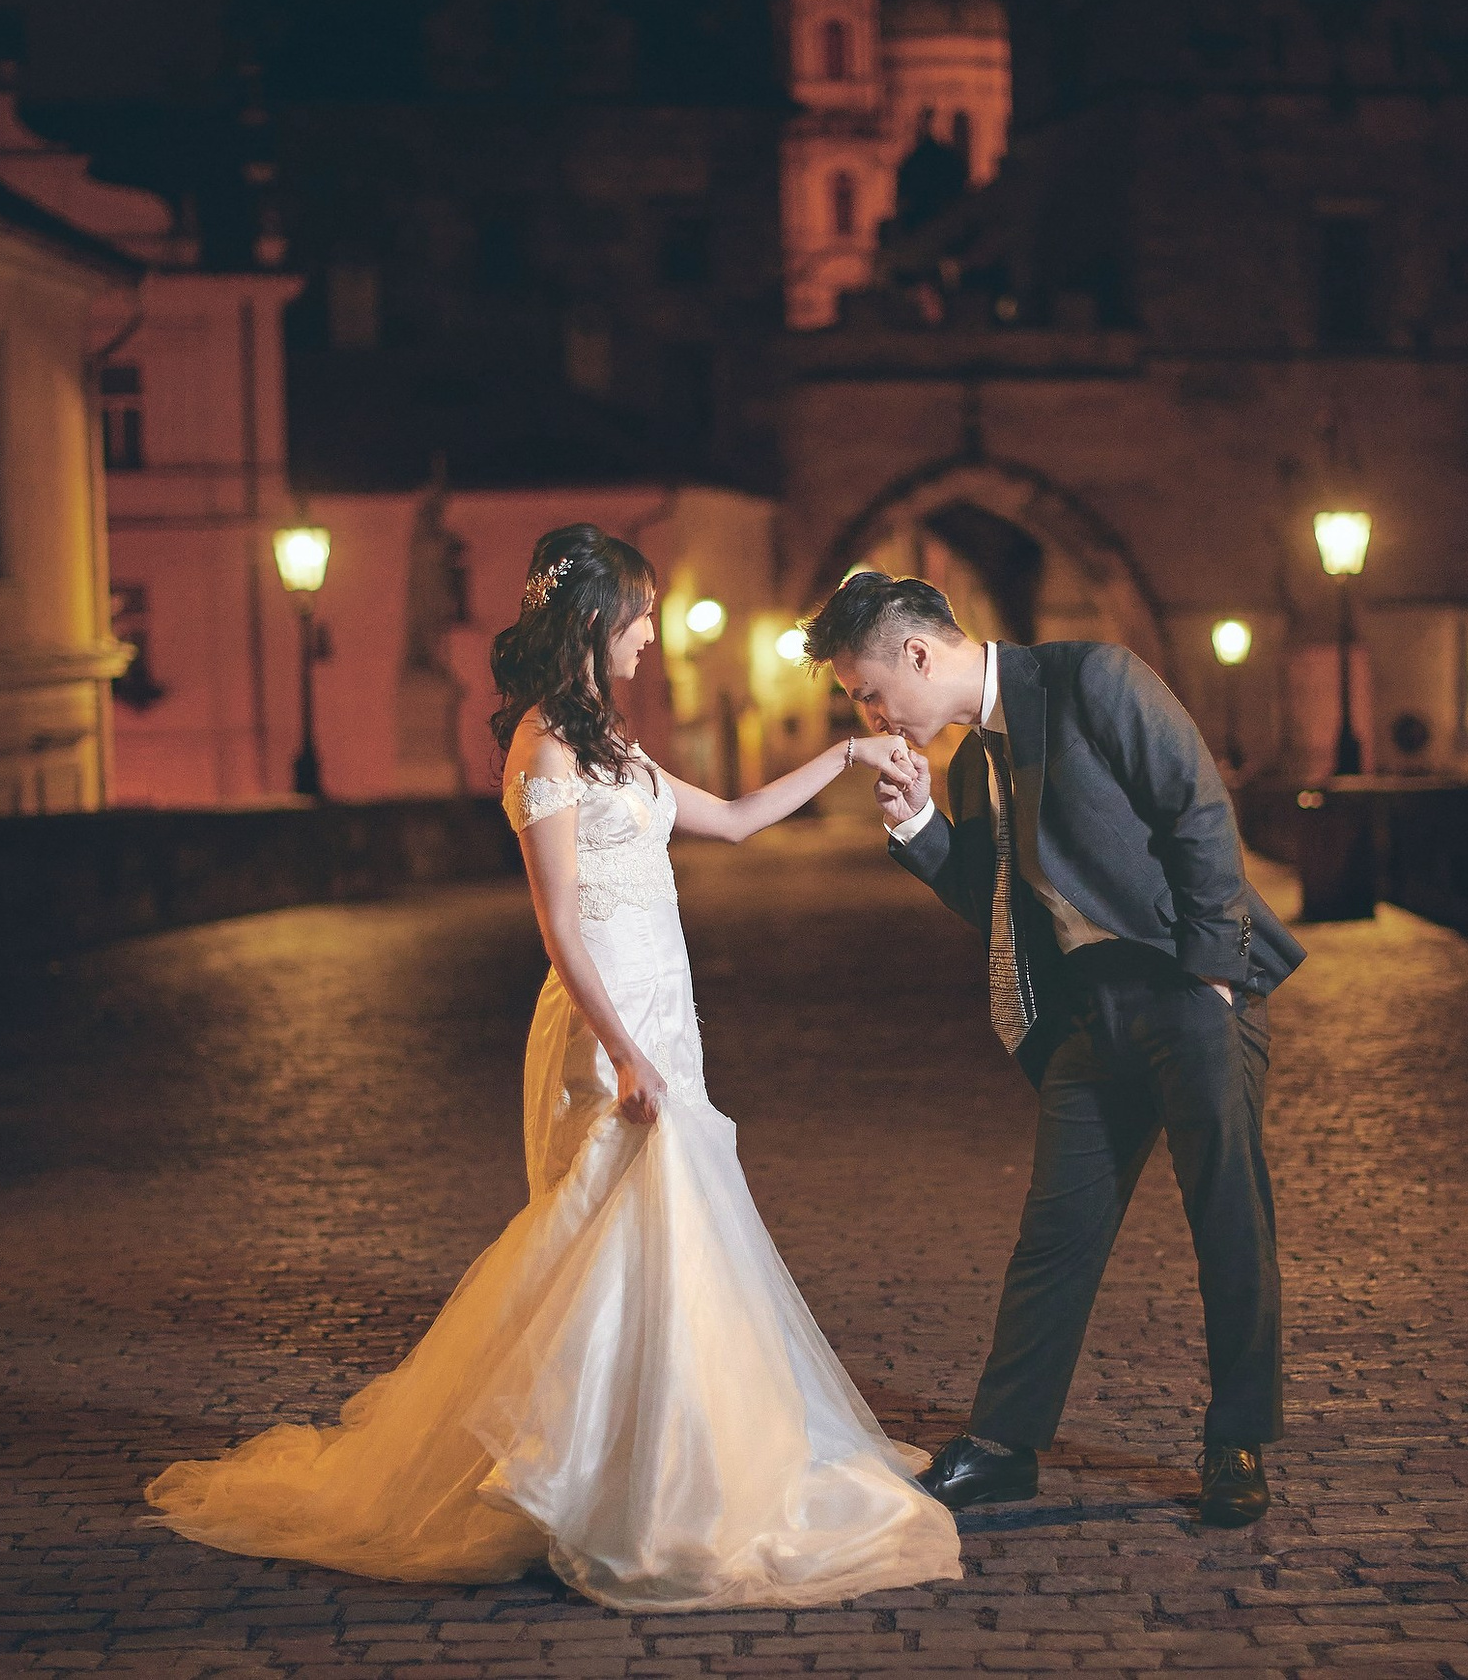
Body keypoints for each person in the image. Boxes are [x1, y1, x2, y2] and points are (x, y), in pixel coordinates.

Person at [146, 525, 962, 1611]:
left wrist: (848, 756)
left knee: (666, 1243)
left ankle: (644, 1463)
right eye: (638, 616)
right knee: (607, 1235)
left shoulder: (613, 745)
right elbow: (560, 925)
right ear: (591, 623)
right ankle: (579, 1479)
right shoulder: (543, 750)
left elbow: (727, 819)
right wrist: (624, 1049)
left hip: (664, 1011)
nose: (650, 635)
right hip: (602, 1023)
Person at [802, 572, 1304, 1530]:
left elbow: (1198, 810)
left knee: (1228, 1219)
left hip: (1186, 991)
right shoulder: (961, 767)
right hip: (1088, 1016)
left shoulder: (1095, 681)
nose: (872, 714)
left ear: (917, 653)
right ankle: (1003, 1447)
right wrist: (916, 825)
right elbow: (998, 908)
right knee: (1054, 1237)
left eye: (869, 691)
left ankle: (1237, 1441)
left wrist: (1209, 971)